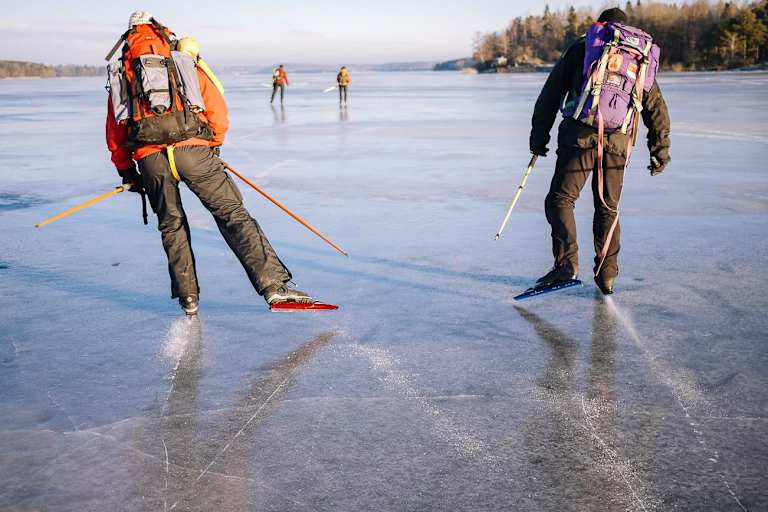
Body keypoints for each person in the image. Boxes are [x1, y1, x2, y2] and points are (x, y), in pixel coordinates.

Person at [106, 12, 314, 315]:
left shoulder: (123, 70)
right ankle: (274, 287)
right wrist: (212, 145)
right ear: (163, 32)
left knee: (171, 225)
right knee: (232, 213)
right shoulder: (180, 60)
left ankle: (188, 298)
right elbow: (216, 107)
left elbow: (115, 129)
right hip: (195, 152)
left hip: (150, 159)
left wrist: (127, 171)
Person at [529, 7, 670, 295]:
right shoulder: (636, 57)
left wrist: (538, 138)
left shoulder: (583, 48)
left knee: (560, 200)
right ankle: (607, 275)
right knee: (607, 207)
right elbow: (656, 109)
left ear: (600, 25)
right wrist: (659, 150)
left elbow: (550, 95)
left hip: (579, 138)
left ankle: (566, 265)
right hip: (618, 143)